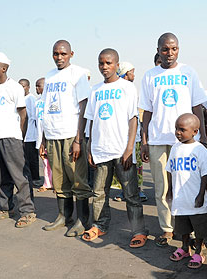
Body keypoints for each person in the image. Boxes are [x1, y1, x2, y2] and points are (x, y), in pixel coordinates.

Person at [139, 32, 207, 246]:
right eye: (165, 49)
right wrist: (144, 141)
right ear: (158, 50)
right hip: (158, 139)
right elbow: (147, 112)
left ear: (178, 49)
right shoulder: (150, 76)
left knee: (188, 185)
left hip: (185, 141)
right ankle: (168, 229)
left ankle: (190, 227)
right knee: (163, 189)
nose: (169, 53)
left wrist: (203, 136)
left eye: (174, 49)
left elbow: (197, 106)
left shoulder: (188, 72)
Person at [82, 48, 148, 247]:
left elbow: (133, 119)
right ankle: (100, 225)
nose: (104, 67)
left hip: (122, 151)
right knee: (99, 191)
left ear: (117, 65)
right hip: (101, 150)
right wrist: (90, 147)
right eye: (101, 63)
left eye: (108, 63)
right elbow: (92, 121)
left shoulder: (127, 88)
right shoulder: (95, 90)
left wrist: (129, 148)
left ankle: (138, 231)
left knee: (131, 194)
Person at [40, 40, 91, 237]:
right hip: (52, 135)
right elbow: (45, 108)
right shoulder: (50, 76)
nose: (59, 57)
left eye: (63, 54)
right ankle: (64, 216)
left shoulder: (77, 74)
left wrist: (79, 139)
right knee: (59, 180)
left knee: (77, 178)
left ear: (71, 54)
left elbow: (83, 107)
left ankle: (82, 220)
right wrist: (43, 139)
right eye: (55, 54)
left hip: (71, 135)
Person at [0, 52, 36, 228]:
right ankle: (6, 208)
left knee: (19, 176)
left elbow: (23, 115)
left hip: (11, 137)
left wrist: (19, 137)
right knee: (2, 176)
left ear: (3, 68)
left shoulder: (15, 88)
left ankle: (28, 211)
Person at [166, 113, 207, 269]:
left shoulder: (199, 149)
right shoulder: (175, 148)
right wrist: (169, 190)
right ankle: (184, 247)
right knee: (182, 226)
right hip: (180, 198)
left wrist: (201, 195)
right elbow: (169, 170)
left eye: (182, 129)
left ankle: (199, 251)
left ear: (195, 131)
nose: (178, 133)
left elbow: (205, 174)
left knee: (199, 228)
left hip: (195, 198)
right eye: (176, 129)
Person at [113, 61, 148, 202]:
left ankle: (136, 190)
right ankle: (125, 191)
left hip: (135, 135)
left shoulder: (131, 88)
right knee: (123, 164)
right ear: (126, 73)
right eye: (132, 71)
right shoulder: (120, 88)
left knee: (136, 165)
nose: (134, 74)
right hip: (121, 135)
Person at [19, 78, 40, 186]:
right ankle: (28, 177)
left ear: (28, 87)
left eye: (23, 86)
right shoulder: (20, 98)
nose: (21, 88)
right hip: (22, 133)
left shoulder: (31, 99)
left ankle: (35, 178)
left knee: (32, 158)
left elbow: (33, 116)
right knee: (24, 157)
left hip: (31, 133)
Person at [35, 77, 53, 192]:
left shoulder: (51, 101)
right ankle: (47, 183)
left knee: (54, 162)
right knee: (45, 162)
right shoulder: (37, 102)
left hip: (50, 136)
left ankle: (57, 184)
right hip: (40, 136)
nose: (37, 88)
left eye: (39, 86)